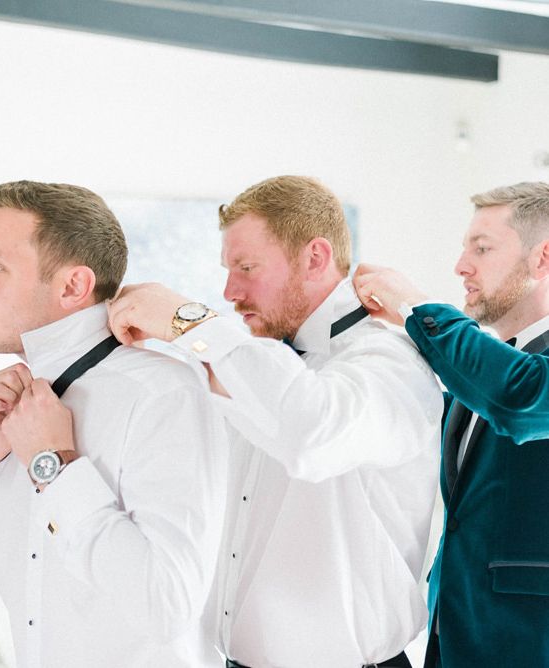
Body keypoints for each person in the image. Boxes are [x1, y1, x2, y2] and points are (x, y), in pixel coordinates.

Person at [108, 175, 443, 667]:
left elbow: (311, 433)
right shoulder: (254, 365)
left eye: (246, 267)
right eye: (227, 270)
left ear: (315, 257)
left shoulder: (391, 362)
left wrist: (187, 321)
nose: (229, 291)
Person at [0, 180, 227, 668]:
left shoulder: (163, 393)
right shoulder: (25, 401)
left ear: (73, 286)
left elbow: (166, 603)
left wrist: (52, 464)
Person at [353, 181, 549, 668]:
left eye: (481, 249)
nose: (461, 266)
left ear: (543, 258)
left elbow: (518, 398)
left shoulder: (515, 379)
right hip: (456, 632)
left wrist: (415, 307)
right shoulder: (491, 371)